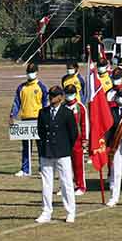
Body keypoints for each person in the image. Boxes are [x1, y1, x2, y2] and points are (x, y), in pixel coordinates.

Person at [35, 86, 78, 223]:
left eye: (54, 95)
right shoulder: (43, 112)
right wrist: (42, 149)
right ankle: (46, 211)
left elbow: (73, 133)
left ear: (61, 97)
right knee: (46, 183)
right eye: (50, 95)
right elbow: (40, 133)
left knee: (66, 183)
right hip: (47, 152)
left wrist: (66, 148)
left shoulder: (67, 113)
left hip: (62, 152)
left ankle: (70, 211)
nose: (51, 98)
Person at [10, 62, 48, 177]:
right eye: (28, 72)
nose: (30, 74)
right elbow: (17, 102)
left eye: (32, 72)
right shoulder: (21, 87)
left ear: (36, 72)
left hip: (38, 119)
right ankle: (25, 169)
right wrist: (12, 115)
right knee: (26, 146)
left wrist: (46, 117)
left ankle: (43, 168)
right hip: (25, 119)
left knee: (41, 146)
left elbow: (45, 103)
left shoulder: (41, 87)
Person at [63, 85, 88, 196]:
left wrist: (85, 139)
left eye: (71, 93)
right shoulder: (62, 106)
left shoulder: (80, 107)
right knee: (64, 165)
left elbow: (84, 124)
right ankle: (65, 186)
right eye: (67, 93)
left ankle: (80, 186)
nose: (69, 95)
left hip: (77, 140)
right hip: (64, 140)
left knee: (78, 164)